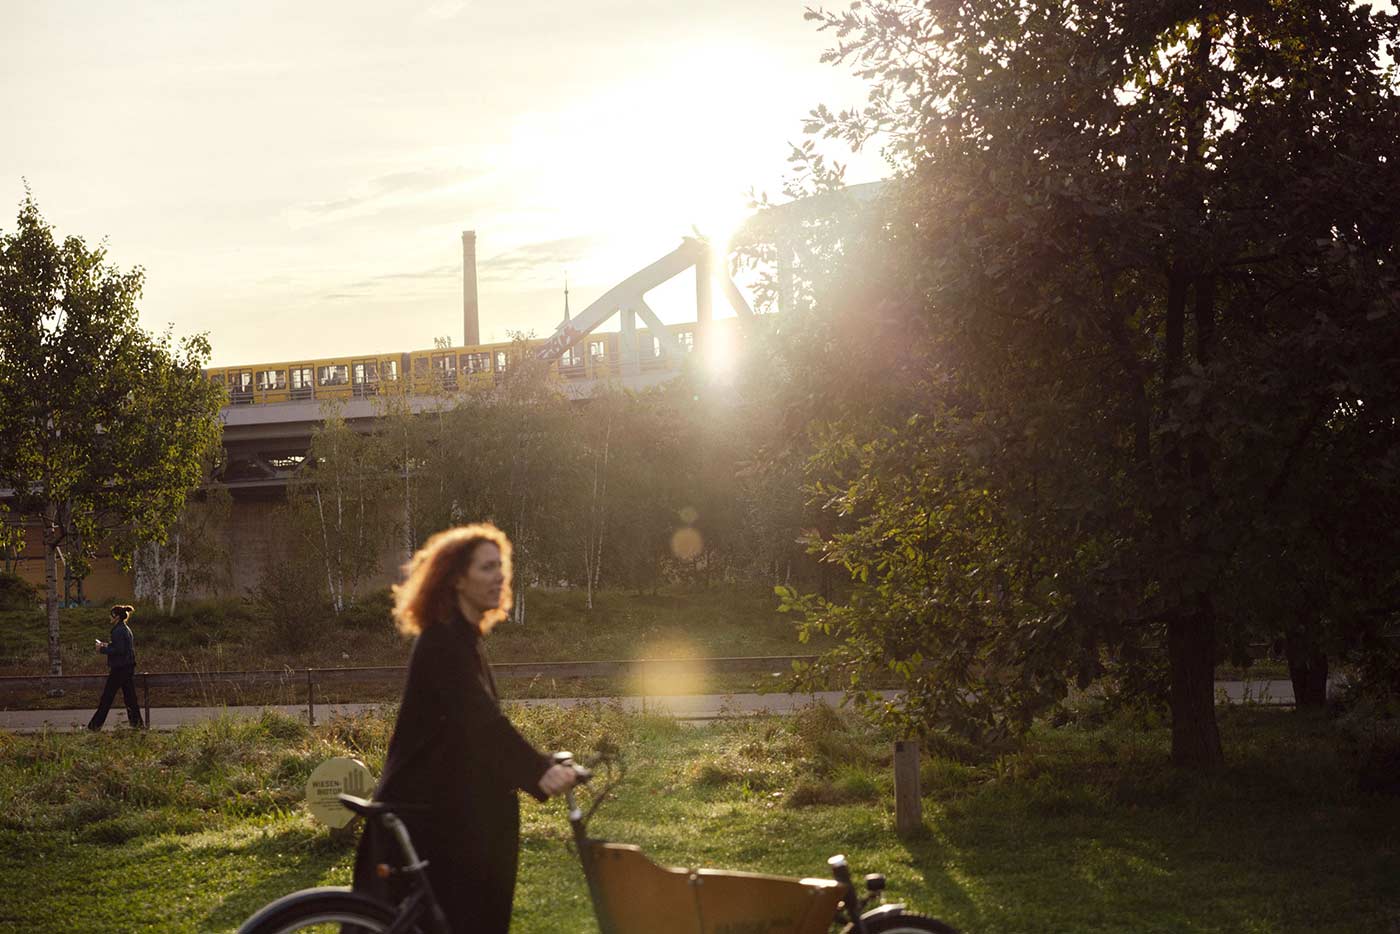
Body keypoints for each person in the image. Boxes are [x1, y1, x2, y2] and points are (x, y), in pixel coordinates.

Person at [351, 524, 577, 933]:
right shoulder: (442, 641)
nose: (500, 576)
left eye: (501, 566)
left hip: (450, 812)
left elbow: (472, 732)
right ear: (457, 578)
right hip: (429, 816)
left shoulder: (464, 639)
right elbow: (480, 721)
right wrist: (537, 770)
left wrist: (539, 765)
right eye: (487, 567)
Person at [88, 604, 144, 730]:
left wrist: (102, 649)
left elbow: (119, 650)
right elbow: (120, 646)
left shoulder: (118, 630)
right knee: (130, 698)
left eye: (111, 615)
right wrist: (107, 645)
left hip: (119, 669)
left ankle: (95, 726)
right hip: (127, 667)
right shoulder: (125, 629)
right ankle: (137, 724)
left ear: (117, 617)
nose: (110, 617)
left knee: (107, 698)